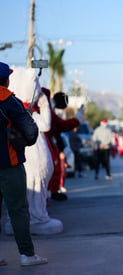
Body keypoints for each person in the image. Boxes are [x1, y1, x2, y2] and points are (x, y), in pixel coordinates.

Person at [0, 61, 48, 266]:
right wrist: (22, 143)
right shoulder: (10, 101)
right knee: (18, 209)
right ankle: (27, 255)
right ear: (6, 80)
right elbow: (31, 130)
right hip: (10, 165)